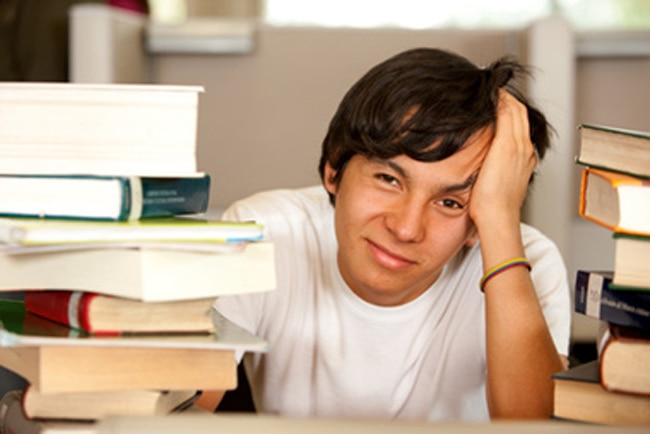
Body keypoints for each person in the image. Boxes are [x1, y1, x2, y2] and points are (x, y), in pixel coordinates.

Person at [197, 47, 571, 421]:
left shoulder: (528, 261)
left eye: (451, 204)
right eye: (388, 179)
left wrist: (500, 221)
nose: (406, 228)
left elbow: (533, 427)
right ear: (333, 168)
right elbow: (175, 412)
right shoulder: (266, 232)